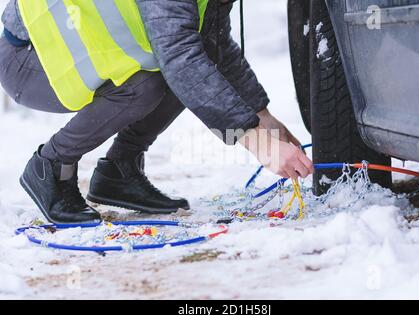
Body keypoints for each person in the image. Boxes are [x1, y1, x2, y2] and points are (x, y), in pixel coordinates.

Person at [0, 0, 314, 224]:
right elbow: (180, 57)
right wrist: (258, 142)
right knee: (150, 83)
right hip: (29, 59)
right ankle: (52, 166)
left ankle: (119, 174)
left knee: (175, 71)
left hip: (75, 50)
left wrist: (263, 117)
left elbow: (212, 43)